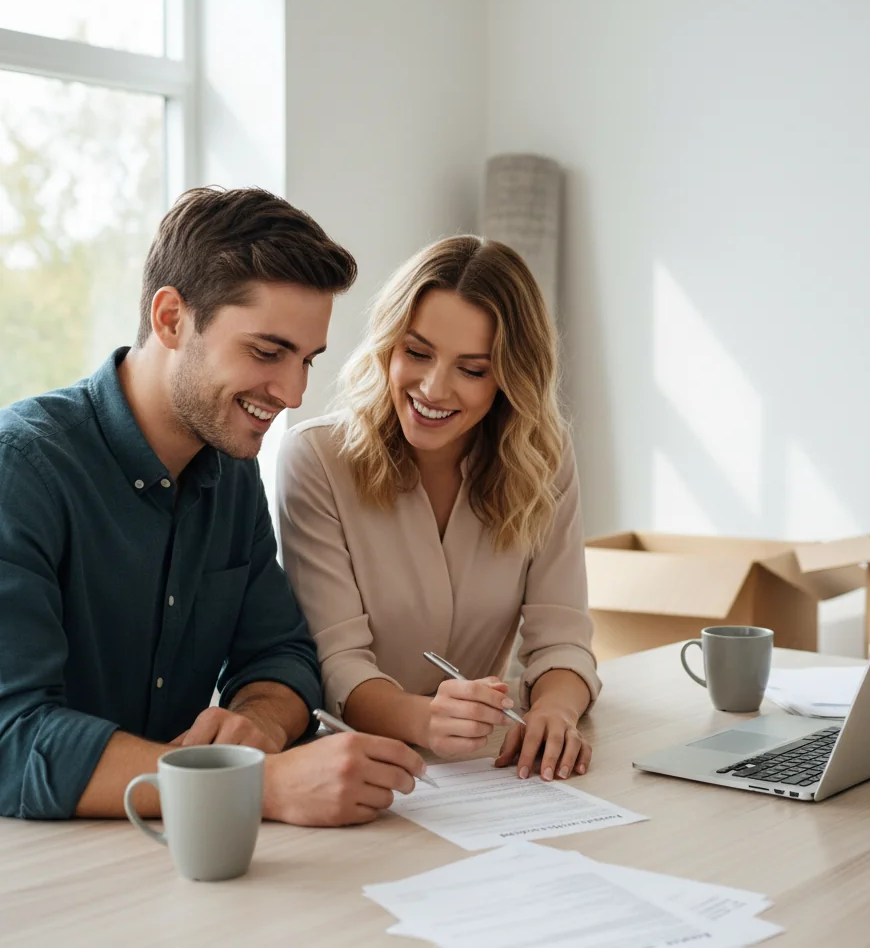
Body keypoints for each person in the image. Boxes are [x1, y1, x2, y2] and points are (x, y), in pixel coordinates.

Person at [0, 187, 429, 825]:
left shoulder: (230, 470)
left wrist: (255, 724)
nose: (293, 393)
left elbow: (280, 654)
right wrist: (251, 785)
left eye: (306, 360)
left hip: (176, 850)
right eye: (267, 351)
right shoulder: (22, 469)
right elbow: (12, 740)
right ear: (172, 318)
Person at [278, 236, 601, 785]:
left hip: (481, 771)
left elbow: (562, 637)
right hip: (355, 770)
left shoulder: (544, 457)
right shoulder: (317, 459)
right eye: (417, 352)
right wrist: (425, 719)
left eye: (472, 369)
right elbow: (338, 663)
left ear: (509, 378)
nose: (432, 387)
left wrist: (555, 711)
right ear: (387, 346)